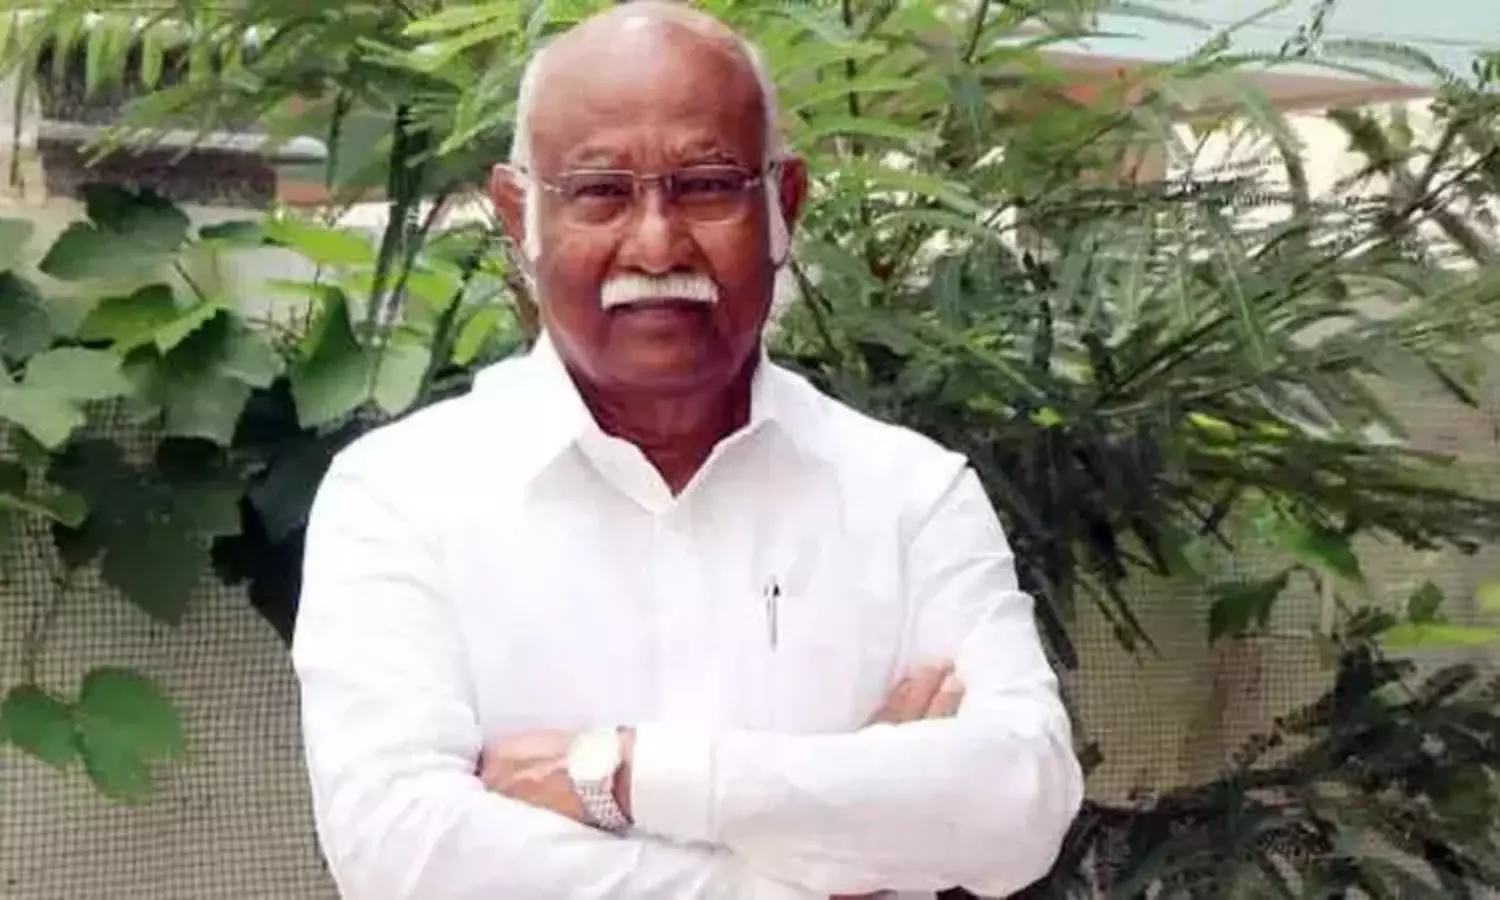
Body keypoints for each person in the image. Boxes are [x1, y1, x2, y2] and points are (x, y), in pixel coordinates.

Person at [291, 3, 1084, 899]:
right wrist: (824, 850)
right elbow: (404, 852)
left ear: (784, 205)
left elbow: (1019, 803)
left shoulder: (908, 496)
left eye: (706, 185)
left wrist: (630, 776)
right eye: (600, 192)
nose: (657, 242)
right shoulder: (401, 498)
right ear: (519, 216)